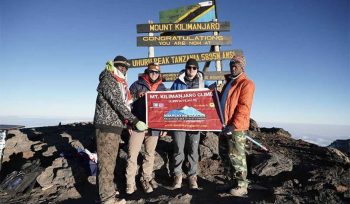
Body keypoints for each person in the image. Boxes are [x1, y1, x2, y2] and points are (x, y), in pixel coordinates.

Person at [93, 55, 148, 204]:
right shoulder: (108, 79)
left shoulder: (120, 83)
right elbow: (117, 103)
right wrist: (135, 120)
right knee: (106, 164)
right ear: (114, 66)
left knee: (110, 162)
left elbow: (123, 100)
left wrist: (137, 95)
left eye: (125, 68)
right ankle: (107, 199)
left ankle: (109, 191)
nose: (122, 70)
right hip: (106, 127)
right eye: (120, 67)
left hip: (114, 127)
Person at [125, 62, 167, 194]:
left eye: (156, 72)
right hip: (138, 125)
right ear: (147, 72)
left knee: (149, 154)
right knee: (132, 154)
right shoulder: (136, 85)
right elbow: (126, 104)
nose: (154, 74)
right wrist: (128, 122)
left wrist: (165, 126)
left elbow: (166, 108)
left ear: (159, 74)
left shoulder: (162, 88)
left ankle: (146, 178)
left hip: (154, 126)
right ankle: (129, 183)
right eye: (151, 71)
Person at [218, 54, 255, 197]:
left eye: (236, 64)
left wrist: (233, 125)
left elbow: (244, 107)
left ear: (242, 66)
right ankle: (230, 181)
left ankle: (241, 185)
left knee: (237, 156)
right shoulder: (229, 83)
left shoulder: (246, 84)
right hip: (223, 125)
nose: (233, 66)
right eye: (231, 64)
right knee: (225, 155)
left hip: (235, 128)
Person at [170, 58, 205, 190]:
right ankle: (177, 175)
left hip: (196, 122)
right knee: (178, 148)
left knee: (193, 149)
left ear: (197, 70)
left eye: (194, 68)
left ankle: (192, 176)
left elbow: (209, 99)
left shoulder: (202, 83)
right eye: (189, 68)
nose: (191, 70)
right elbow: (170, 100)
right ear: (185, 69)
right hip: (179, 121)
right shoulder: (177, 82)